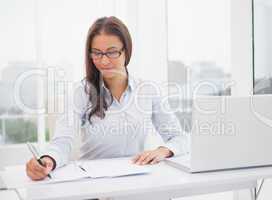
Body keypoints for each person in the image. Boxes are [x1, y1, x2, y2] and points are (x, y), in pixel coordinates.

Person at [26, 16, 187, 181]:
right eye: (97, 53)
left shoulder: (148, 90)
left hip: (136, 180)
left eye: (112, 52)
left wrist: (163, 150)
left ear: (127, 51)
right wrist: (48, 160)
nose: (104, 61)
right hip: (93, 184)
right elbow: (62, 141)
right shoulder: (81, 92)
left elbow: (179, 138)